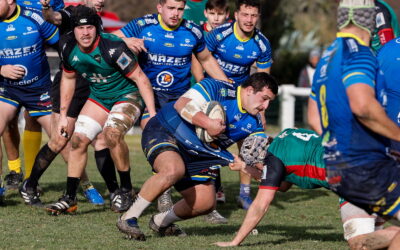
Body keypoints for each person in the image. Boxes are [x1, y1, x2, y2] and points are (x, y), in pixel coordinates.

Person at [116, 72, 278, 241]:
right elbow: (181, 104)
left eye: (269, 102)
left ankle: (160, 222)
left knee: (205, 203)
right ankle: (128, 218)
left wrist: (267, 170)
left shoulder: (255, 122)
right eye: (264, 99)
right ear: (250, 90)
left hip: (198, 153)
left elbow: (253, 153)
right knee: (173, 169)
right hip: (167, 129)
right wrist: (208, 123)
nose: (265, 106)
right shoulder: (217, 88)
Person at [113, 0, 229, 213]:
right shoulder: (143, 25)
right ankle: (163, 192)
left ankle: (207, 200)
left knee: (197, 145)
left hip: (181, 99)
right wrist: (126, 41)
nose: (176, 14)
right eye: (171, 8)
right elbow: (109, 39)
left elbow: (206, 59)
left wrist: (227, 85)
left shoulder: (192, 31)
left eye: (180, 9)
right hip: (151, 96)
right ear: (160, 7)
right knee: (155, 134)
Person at [45, 5, 156, 216]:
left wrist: (151, 113)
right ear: (73, 31)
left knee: (112, 135)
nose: (85, 33)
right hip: (99, 97)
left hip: (127, 95)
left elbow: (140, 78)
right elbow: (68, 79)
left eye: (89, 27)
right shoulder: (67, 46)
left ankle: (125, 190)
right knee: (77, 140)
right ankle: (70, 198)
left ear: (96, 28)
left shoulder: (113, 47)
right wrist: (62, 115)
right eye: (80, 28)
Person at [309, 0, 400, 248]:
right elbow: (363, 107)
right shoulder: (360, 54)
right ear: (368, 20)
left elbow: (313, 116)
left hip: (338, 168)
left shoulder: (327, 56)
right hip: (366, 166)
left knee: (366, 241)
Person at [214, 129, 400, 249]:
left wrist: (235, 241)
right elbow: (284, 185)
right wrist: (245, 168)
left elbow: (260, 205)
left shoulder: (273, 160)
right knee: (378, 237)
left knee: (360, 244)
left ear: (261, 159)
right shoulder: (286, 136)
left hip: (352, 178)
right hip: (373, 163)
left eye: (258, 166)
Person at [19, 0, 119, 209]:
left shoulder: (97, 22)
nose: (101, 1)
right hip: (69, 89)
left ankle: (116, 192)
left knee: (101, 139)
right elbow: (53, 17)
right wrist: (46, 8)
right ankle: (29, 184)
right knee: (59, 140)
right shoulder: (71, 12)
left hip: (92, 88)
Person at [205, 0, 272, 210]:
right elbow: (200, 60)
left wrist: (262, 109)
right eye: (245, 15)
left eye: (253, 15)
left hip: (243, 97)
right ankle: (212, 190)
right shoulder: (219, 34)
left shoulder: (262, 44)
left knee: (249, 144)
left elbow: (263, 82)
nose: (249, 20)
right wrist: (203, 89)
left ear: (258, 16)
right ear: (236, 14)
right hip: (215, 94)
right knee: (211, 142)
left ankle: (244, 194)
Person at [0, 0, 59, 202]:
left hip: (39, 91)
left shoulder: (35, 16)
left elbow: (62, 43)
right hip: (7, 89)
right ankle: (12, 172)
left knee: (61, 139)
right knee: (4, 125)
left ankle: (79, 187)